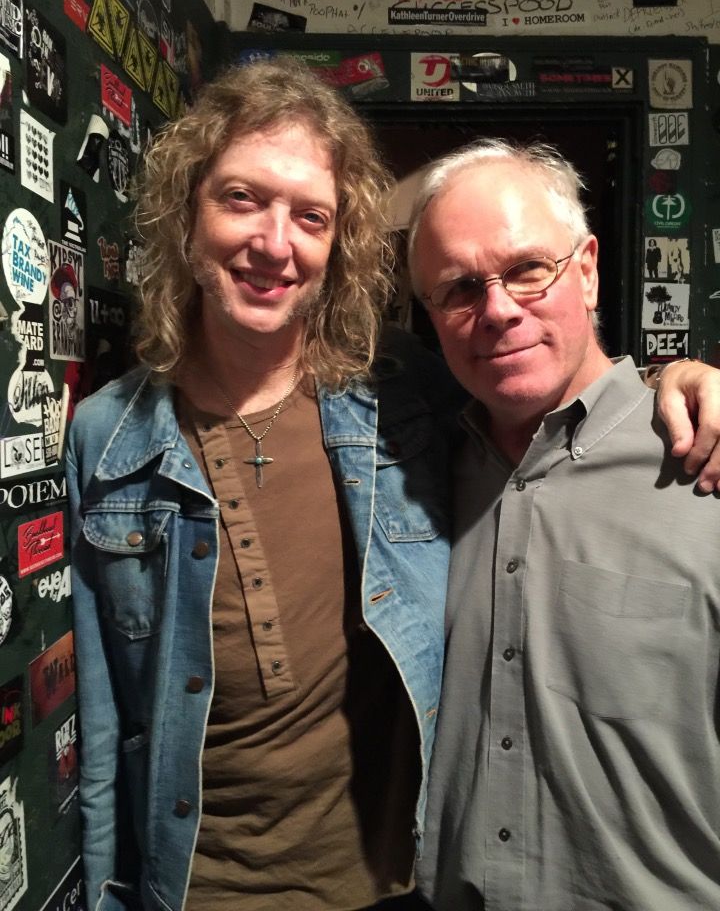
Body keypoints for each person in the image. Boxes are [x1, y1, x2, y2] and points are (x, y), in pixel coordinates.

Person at [66, 60, 719, 911]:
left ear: (337, 244)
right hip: (192, 884)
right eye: (241, 199)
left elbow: (552, 385)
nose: (275, 243)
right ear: (186, 213)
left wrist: (677, 378)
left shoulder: (400, 398)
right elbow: (104, 717)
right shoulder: (107, 438)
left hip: (398, 881)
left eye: (311, 215)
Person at [408, 138, 720, 911]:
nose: (498, 309)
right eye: (460, 288)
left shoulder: (701, 465)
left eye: (527, 269)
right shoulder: (408, 476)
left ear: (586, 270)